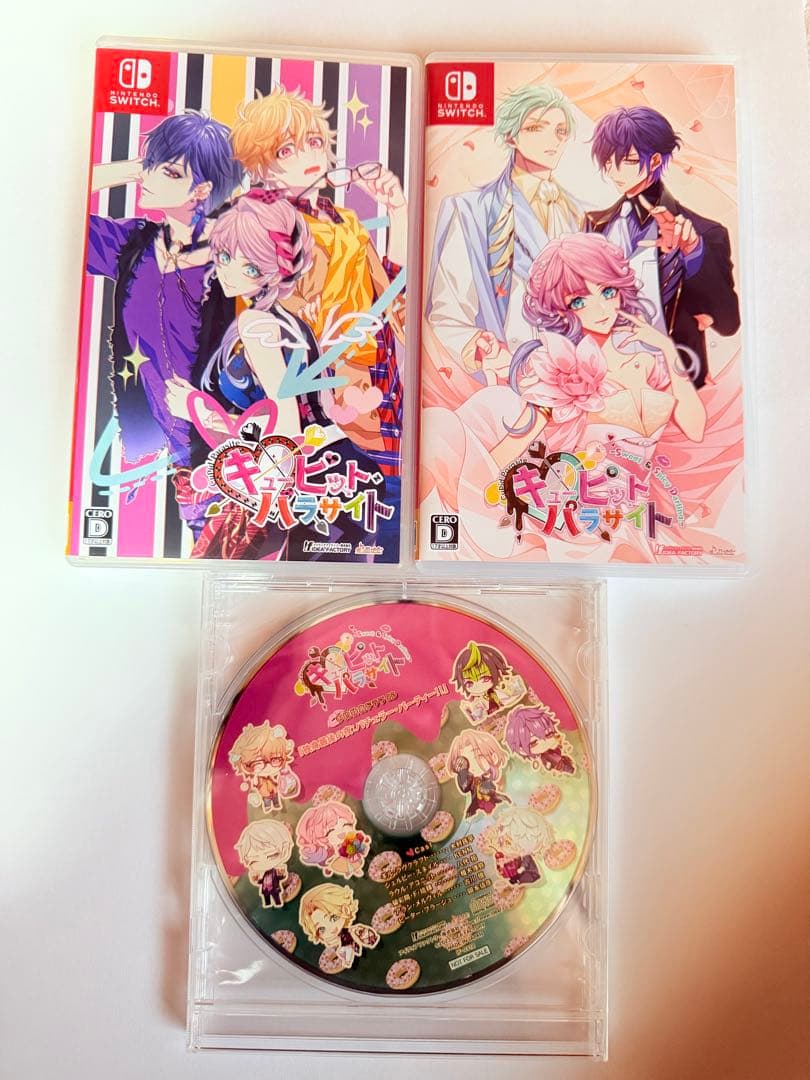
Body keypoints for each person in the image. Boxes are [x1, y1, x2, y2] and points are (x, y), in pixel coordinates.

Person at [421, 233, 708, 562]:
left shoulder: (648, 362)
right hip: (571, 518)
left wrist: (668, 348)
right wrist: (478, 486)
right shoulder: (560, 366)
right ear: (561, 309)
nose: (600, 309)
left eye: (607, 291)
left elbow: (695, 428)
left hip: (630, 516)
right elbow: (512, 448)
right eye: (579, 301)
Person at [164, 192, 384, 560]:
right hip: (333, 470)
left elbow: (286, 422)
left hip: (299, 479)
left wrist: (194, 408)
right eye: (225, 257)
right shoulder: (294, 325)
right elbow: (314, 410)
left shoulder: (256, 325)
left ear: (276, 270)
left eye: (250, 267)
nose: (229, 271)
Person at [230, 87, 406, 542]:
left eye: (312, 142)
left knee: (387, 503)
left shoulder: (343, 219)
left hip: (375, 370)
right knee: (338, 509)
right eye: (285, 150)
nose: (307, 156)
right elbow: (262, 303)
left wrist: (398, 210)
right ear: (260, 165)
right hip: (318, 380)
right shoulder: (260, 225)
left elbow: (390, 286)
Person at [86, 111, 244, 533]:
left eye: (169, 171)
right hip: (150, 449)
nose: (150, 177)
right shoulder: (131, 244)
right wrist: (135, 167)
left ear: (202, 190)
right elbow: (56, 207)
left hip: (218, 447)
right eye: (151, 164)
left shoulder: (234, 259)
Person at [426, 83, 583, 387]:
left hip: (568, 375)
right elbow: (447, 313)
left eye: (561, 131)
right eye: (536, 128)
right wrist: (479, 348)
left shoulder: (577, 214)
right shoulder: (470, 211)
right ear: (512, 136)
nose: (553, 140)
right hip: (503, 374)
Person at [587, 106, 740, 388]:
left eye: (628, 160)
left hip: (679, 380)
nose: (614, 171)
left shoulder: (706, 233)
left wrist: (693, 252)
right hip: (610, 377)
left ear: (655, 160)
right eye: (607, 161)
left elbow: (728, 323)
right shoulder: (595, 225)